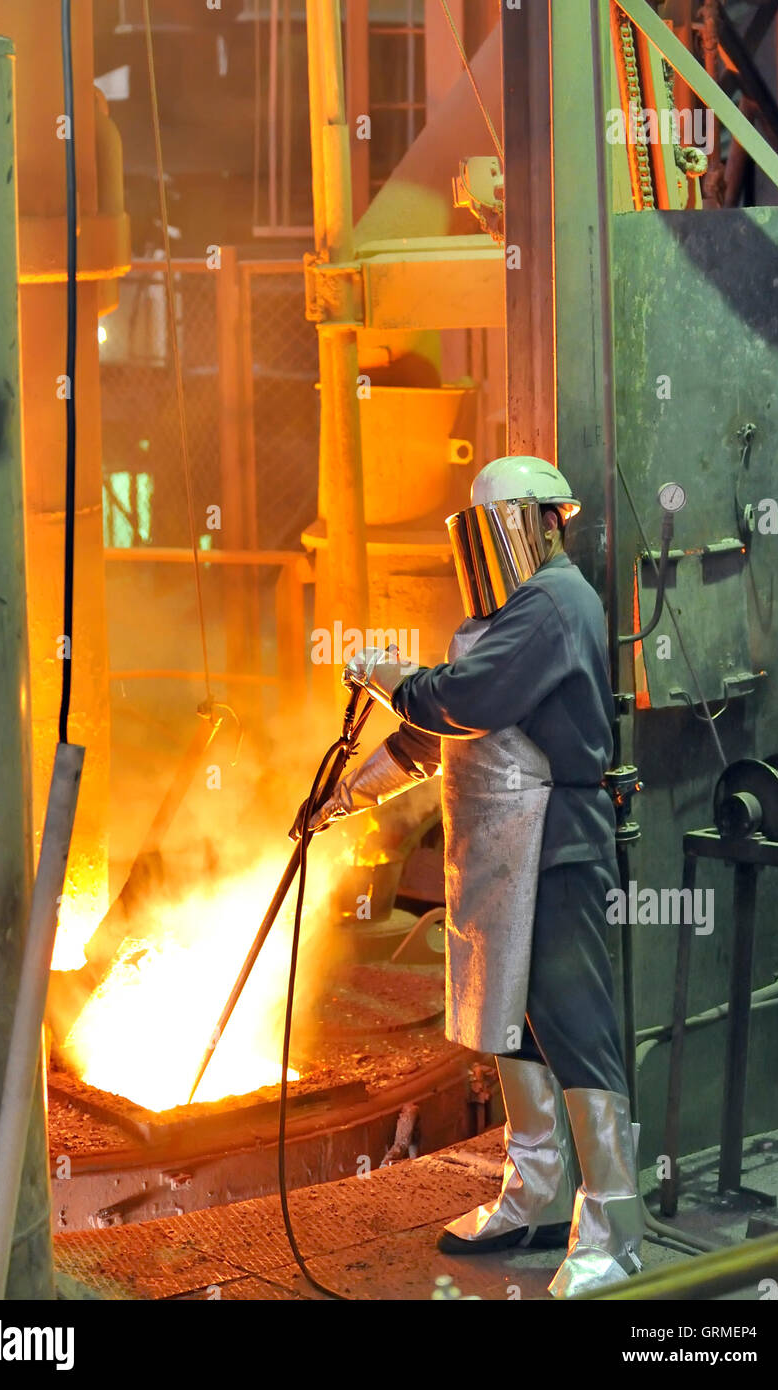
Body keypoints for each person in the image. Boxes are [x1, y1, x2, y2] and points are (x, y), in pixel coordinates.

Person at [293, 455, 643, 1298]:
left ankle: (615, 1234)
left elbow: (463, 701)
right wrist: (338, 796)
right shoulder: (503, 617)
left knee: (576, 1029)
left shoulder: (558, 601)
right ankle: (536, 1196)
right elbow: (433, 737)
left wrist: (391, 678)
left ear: (542, 521)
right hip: (498, 854)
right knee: (515, 1027)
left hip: (555, 842)